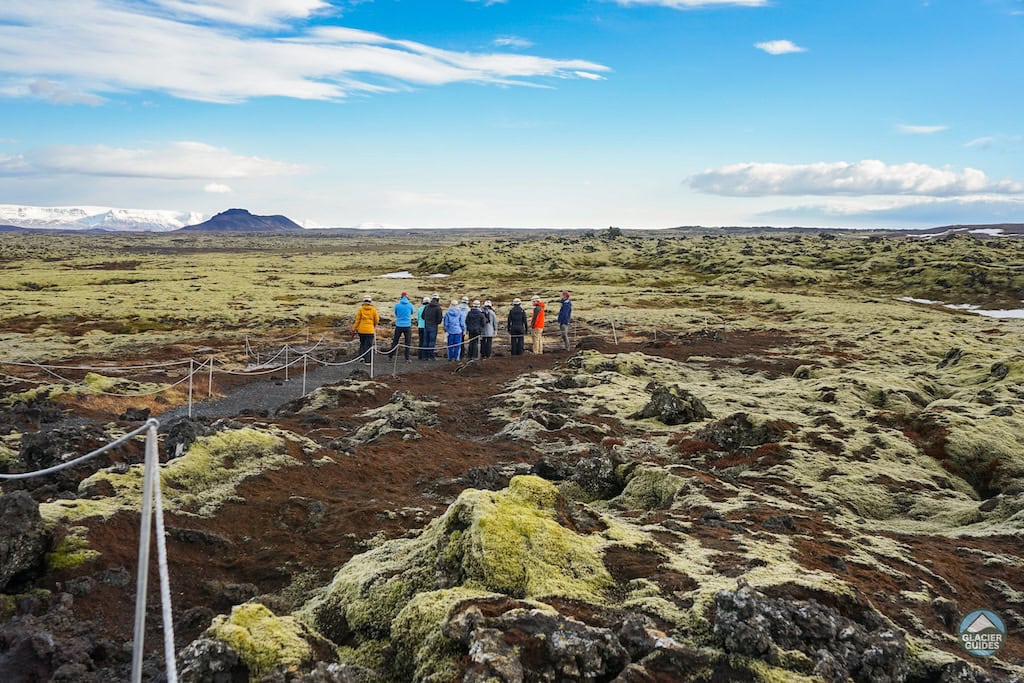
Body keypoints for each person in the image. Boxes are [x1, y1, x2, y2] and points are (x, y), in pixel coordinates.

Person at [352, 295, 380, 364]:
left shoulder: (360, 309)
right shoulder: (373, 310)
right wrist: (373, 325)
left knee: (362, 344)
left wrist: (354, 329)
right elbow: (377, 320)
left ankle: (361, 357)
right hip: (370, 331)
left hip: (361, 330)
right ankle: (368, 361)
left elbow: (357, 320)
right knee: (368, 346)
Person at [391, 292, 414, 362]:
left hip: (399, 325)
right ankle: (407, 358)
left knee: (395, 341)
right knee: (407, 342)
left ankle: (390, 356)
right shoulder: (410, 305)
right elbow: (412, 312)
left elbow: (396, 313)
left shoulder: (397, 305)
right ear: (407, 297)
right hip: (407, 325)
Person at [421, 293, 443, 361]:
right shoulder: (438, 308)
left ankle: (424, 356)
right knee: (432, 342)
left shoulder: (427, 307)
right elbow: (439, 319)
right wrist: (436, 322)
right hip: (433, 326)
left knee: (425, 341)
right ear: (438, 299)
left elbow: (422, 316)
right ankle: (431, 356)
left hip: (426, 325)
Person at [416, 296, 429, 360]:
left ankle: (420, 355)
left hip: (420, 326)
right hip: (426, 326)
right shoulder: (428, 309)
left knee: (421, 341)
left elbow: (418, 318)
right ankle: (425, 355)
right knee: (426, 341)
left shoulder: (420, 308)